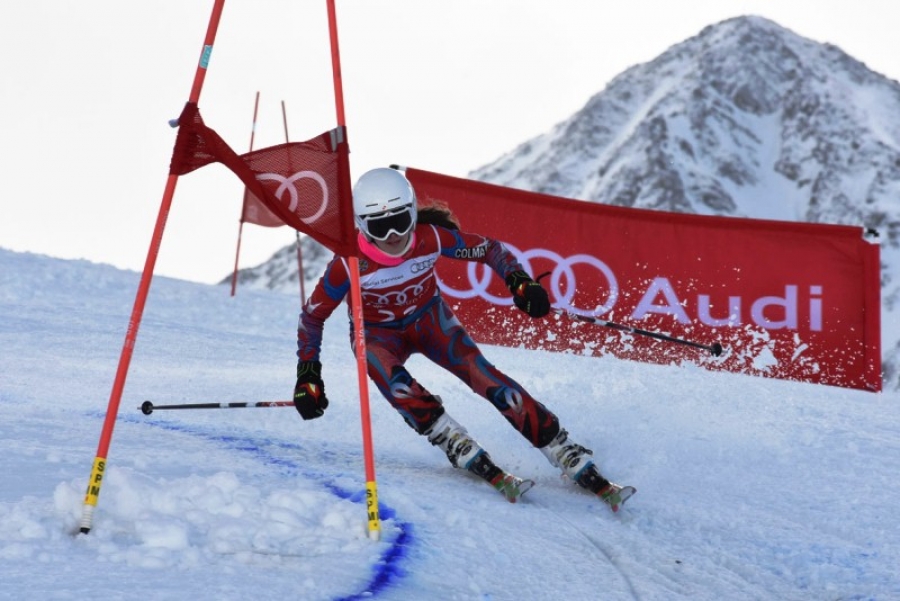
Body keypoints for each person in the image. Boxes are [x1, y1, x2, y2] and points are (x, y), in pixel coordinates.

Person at [293, 167, 634, 510]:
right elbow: (313, 317)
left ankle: (558, 445)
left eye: (401, 220)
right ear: (362, 225)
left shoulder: (431, 238)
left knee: (483, 373)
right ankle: (447, 435)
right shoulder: (348, 264)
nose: (394, 234)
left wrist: (519, 281)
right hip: (378, 334)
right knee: (391, 378)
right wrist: (309, 372)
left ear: (412, 212)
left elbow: (490, 250)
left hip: (429, 321)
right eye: (380, 226)